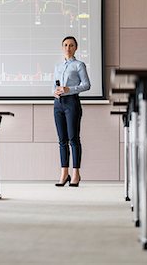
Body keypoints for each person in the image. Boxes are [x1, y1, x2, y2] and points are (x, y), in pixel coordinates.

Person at [53, 36, 90, 187]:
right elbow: (52, 86)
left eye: (71, 45)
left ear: (76, 48)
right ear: (62, 47)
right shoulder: (58, 67)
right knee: (62, 140)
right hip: (58, 104)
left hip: (72, 103)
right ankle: (64, 173)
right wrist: (54, 92)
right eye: (65, 45)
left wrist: (69, 89)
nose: (68, 48)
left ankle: (76, 173)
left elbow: (87, 85)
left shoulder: (79, 65)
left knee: (73, 139)